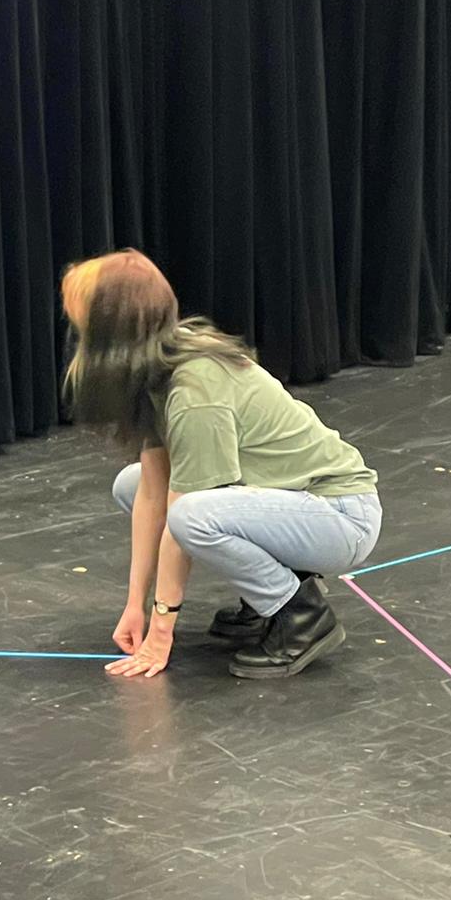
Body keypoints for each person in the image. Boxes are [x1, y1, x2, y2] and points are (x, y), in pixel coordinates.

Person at [61, 249, 382, 681]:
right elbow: (154, 493)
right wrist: (133, 605)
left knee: (193, 515)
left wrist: (161, 630)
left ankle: (301, 615)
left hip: (340, 515)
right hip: (289, 501)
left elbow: (182, 518)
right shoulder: (159, 370)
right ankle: (265, 595)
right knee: (132, 486)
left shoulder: (194, 391)